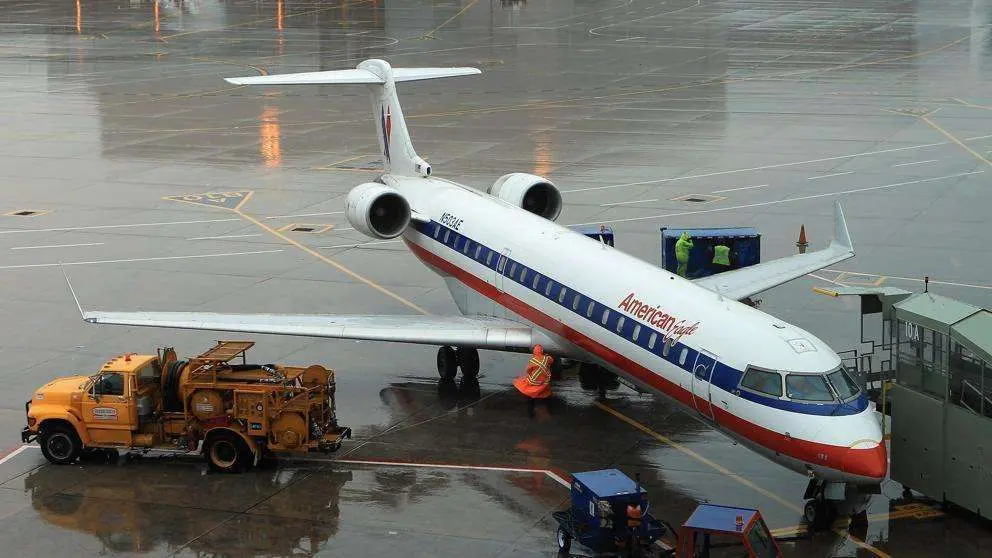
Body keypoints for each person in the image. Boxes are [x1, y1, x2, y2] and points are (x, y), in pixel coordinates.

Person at [513, 345, 553, 414]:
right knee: (545, 389)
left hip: (534, 381)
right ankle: (544, 402)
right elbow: (551, 360)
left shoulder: (533, 360)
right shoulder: (546, 359)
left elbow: (528, 370)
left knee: (526, 385)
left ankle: (531, 408)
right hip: (544, 381)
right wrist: (547, 356)